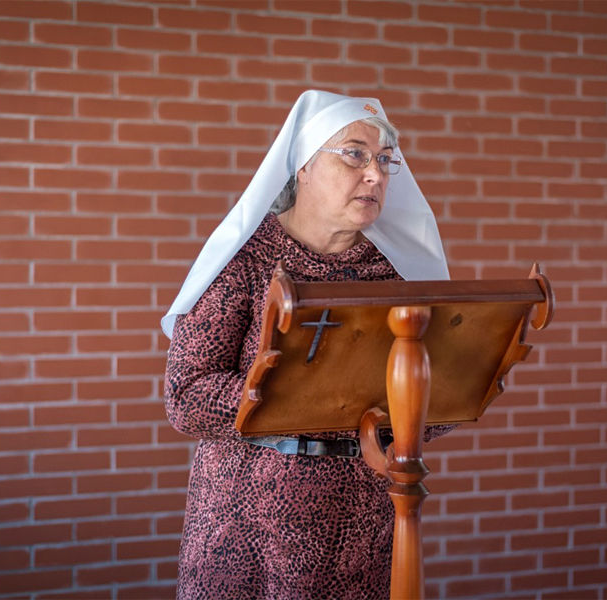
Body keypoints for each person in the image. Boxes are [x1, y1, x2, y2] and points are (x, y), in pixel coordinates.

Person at [162, 90, 455, 599]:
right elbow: (187, 397)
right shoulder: (246, 261)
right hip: (244, 527)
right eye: (355, 154)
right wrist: (309, 396)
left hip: (361, 527)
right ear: (303, 167)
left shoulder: (398, 276)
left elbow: (442, 400)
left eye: (385, 159)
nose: (375, 174)